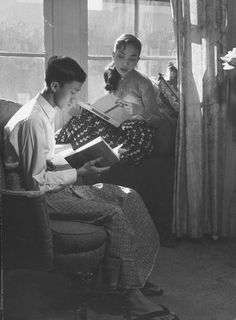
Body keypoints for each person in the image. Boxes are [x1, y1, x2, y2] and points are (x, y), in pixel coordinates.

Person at [4, 56, 179, 320]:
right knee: (113, 213)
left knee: (128, 196)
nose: (74, 99)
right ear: (54, 85)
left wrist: (77, 159)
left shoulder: (44, 113)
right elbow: (35, 182)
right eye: (72, 92)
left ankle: (135, 279)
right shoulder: (33, 120)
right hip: (38, 199)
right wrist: (80, 172)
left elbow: (43, 160)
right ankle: (132, 299)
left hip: (52, 184)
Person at [55, 34, 165, 165]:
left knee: (91, 126)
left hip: (135, 135)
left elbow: (158, 122)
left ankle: (64, 154)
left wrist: (140, 111)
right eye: (121, 56)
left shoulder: (143, 83)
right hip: (114, 127)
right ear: (113, 55)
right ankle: (57, 153)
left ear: (137, 60)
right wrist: (93, 109)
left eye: (132, 59)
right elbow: (108, 106)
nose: (125, 63)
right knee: (83, 117)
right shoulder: (110, 73)